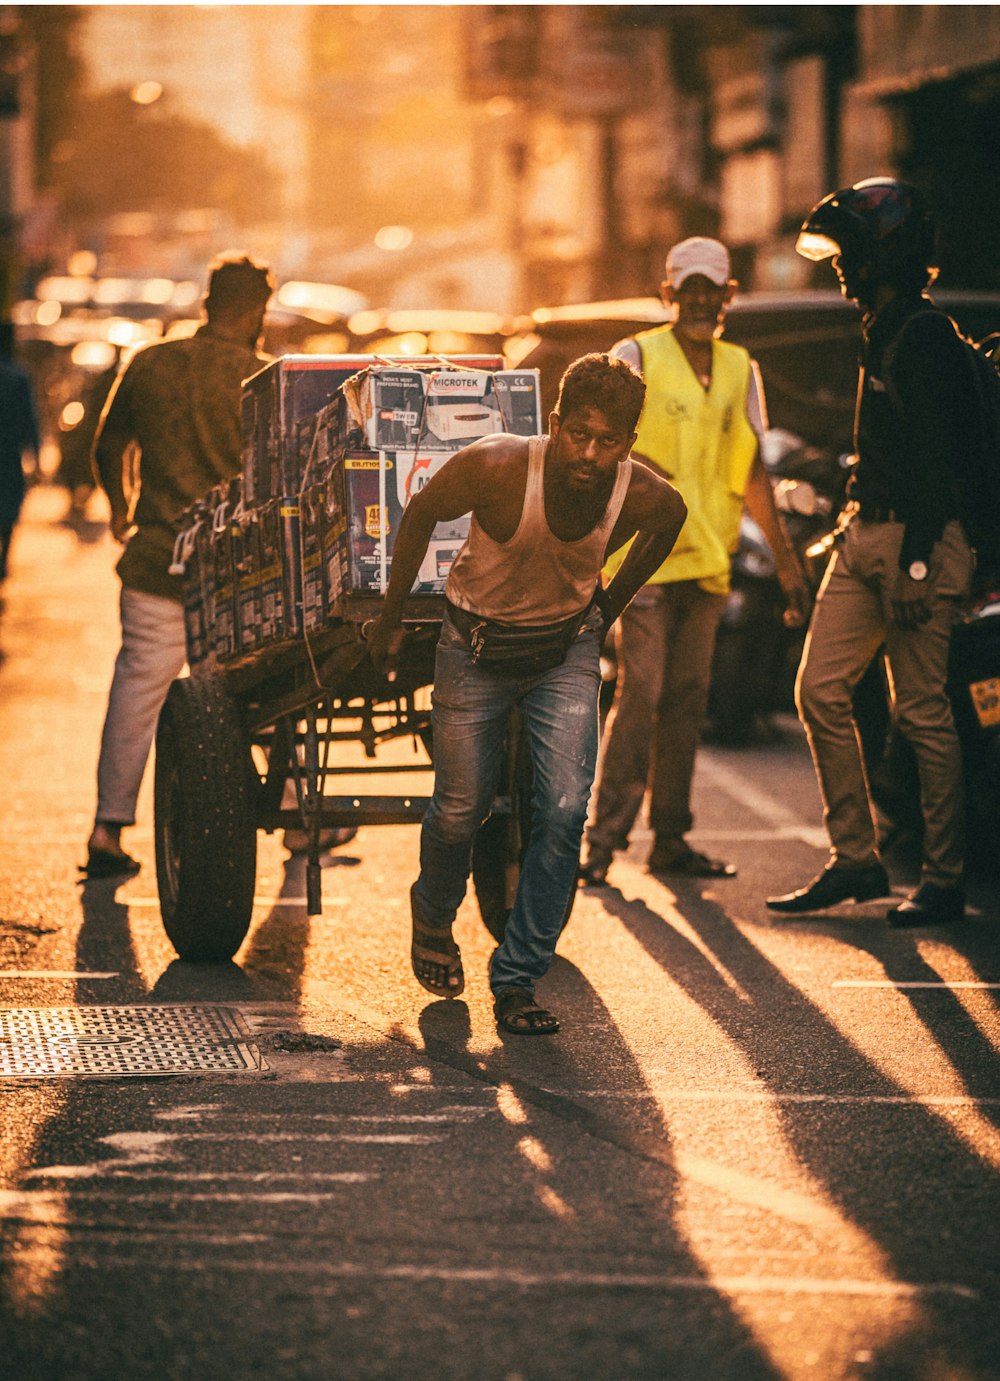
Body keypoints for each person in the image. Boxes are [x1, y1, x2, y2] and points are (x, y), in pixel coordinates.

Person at [367, 354, 686, 1035]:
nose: (591, 455)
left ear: (629, 442)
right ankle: (432, 915)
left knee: (567, 810)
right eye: (581, 435)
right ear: (556, 423)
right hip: (474, 650)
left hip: (562, 653)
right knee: (460, 808)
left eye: (610, 442)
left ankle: (517, 978)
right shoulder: (501, 466)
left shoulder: (639, 493)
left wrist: (611, 605)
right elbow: (421, 510)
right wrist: (392, 621)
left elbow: (674, 516)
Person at [767, 178, 975, 926]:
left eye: (850, 253)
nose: (840, 268)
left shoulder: (923, 338)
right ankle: (857, 858)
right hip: (864, 535)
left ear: (887, 254)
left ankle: (944, 878)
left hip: (915, 541)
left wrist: (919, 561)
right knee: (819, 689)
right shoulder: (881, 327)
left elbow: (938, 463)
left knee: (921, 712)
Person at [580, 237, 810, 886]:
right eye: (690, 290)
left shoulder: (741, 368)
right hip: (642, 563)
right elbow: (602, 450)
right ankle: (602, 842)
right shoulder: (636, 355)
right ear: (669, 295)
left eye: (713, 289)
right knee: (642, 694)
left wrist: (790, 571)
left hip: (708, 562)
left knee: (686, 700)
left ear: (728, 295)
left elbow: (754, 475)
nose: (702, 300)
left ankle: (672, 839)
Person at [83, 253, 274, 878]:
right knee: (254, 694)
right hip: (233, 576)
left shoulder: (151, 362)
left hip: (155, 562)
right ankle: (296, 820)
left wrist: (121, 509)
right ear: (253, 314)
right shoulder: (259, 380)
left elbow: (108, 444)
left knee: (137, 690)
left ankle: (108, 830)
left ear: (208, 301)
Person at [0, 322, 41, 583]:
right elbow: (30, 420)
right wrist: (36, 456)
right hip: (9, 453)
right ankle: (3, 560)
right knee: (8, 508)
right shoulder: (18, 376)